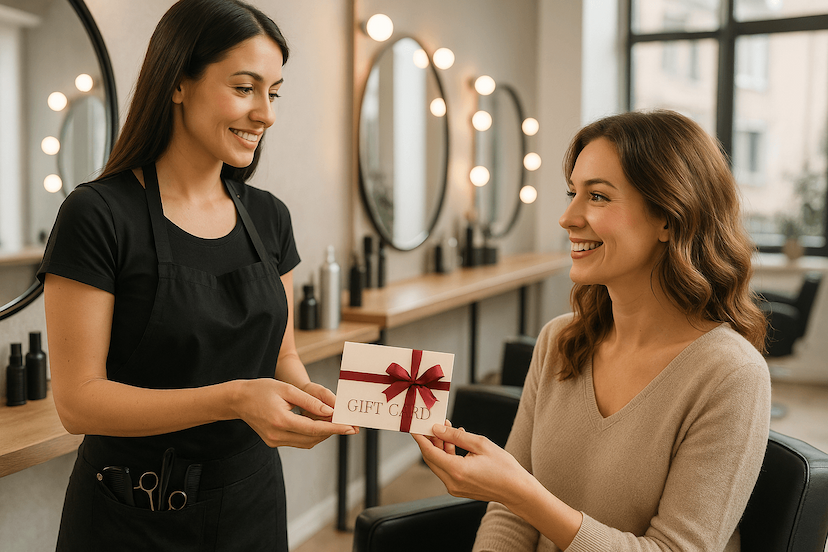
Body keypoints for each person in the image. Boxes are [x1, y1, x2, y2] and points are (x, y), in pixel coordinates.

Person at [38, 1, 356, 549]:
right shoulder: (98, 215)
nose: (266, 114)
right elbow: (77, 402)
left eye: (273, 93)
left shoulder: (269, 217)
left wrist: (314, 401)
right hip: (135, 511)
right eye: (244, 88)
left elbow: (282, 357)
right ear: (178, 83)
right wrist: (233, 399)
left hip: (251, 503)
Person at [414, 110, 771, 551]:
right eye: (572, 193)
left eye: (597, 197)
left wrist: (520, 492)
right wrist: (513, 496)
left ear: (668, 217)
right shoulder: (559, 342)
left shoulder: (731, 375)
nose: (567, 217)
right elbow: (508, 520)